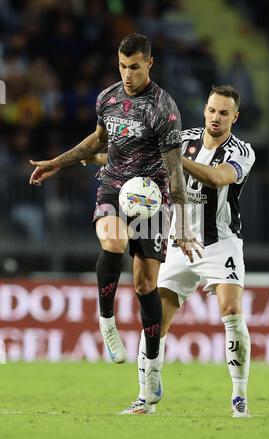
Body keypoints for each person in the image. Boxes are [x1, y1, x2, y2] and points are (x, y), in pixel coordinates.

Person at [29, 33, 201, 405]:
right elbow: (97, 142)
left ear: (149, 63)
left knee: (144, 285)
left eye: (135, 67)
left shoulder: (164, 109)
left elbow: (174, 172)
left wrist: (184, 226)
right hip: (113, 187)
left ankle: (152, 372)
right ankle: (106, 318)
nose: (127, 74)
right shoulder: (107, 98)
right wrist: (56, 163)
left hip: (153, 199)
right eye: (122, 66)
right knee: (113, 242)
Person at [122, 85, 255, 417]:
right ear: (205, 109)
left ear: (234, 117)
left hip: (220, 242)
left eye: (224, 113)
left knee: (231, 312)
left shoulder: (242, 152)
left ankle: (239, 397)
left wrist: (173, 158)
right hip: (179, 242)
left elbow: (215, 177)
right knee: (156, 319)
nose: (216, 117)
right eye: (212, 110)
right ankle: (145, 395)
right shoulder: (184, 137)